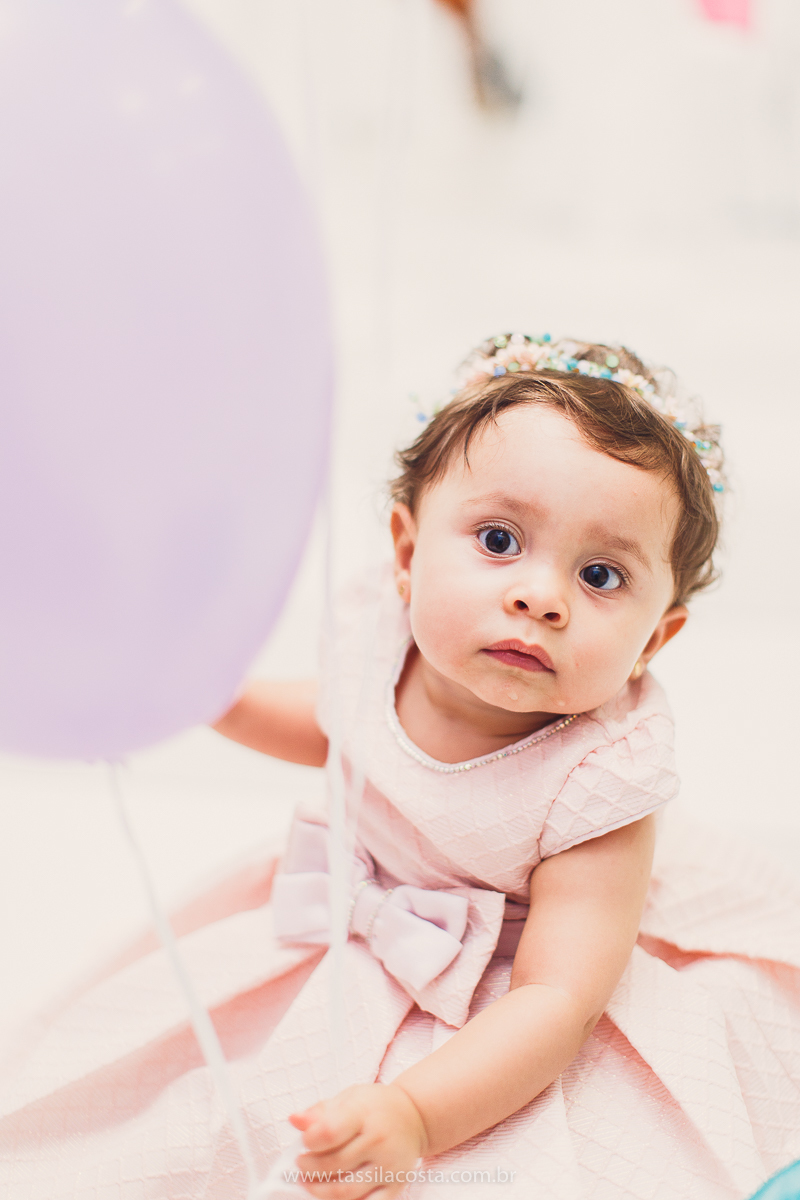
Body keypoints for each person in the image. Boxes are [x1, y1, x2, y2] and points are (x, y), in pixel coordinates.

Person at [1, 336, 798, 1200]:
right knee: (179, 1103)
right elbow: (333, 722)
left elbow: (556, 1002)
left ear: (656, 639)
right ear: (407, 552)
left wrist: (418, 1115)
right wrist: (209, 698)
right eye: (499, 539)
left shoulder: (602, 781)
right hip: (347, 912)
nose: (541, 596)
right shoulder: (384, 634)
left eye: (601, 574)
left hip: (509, 1002)